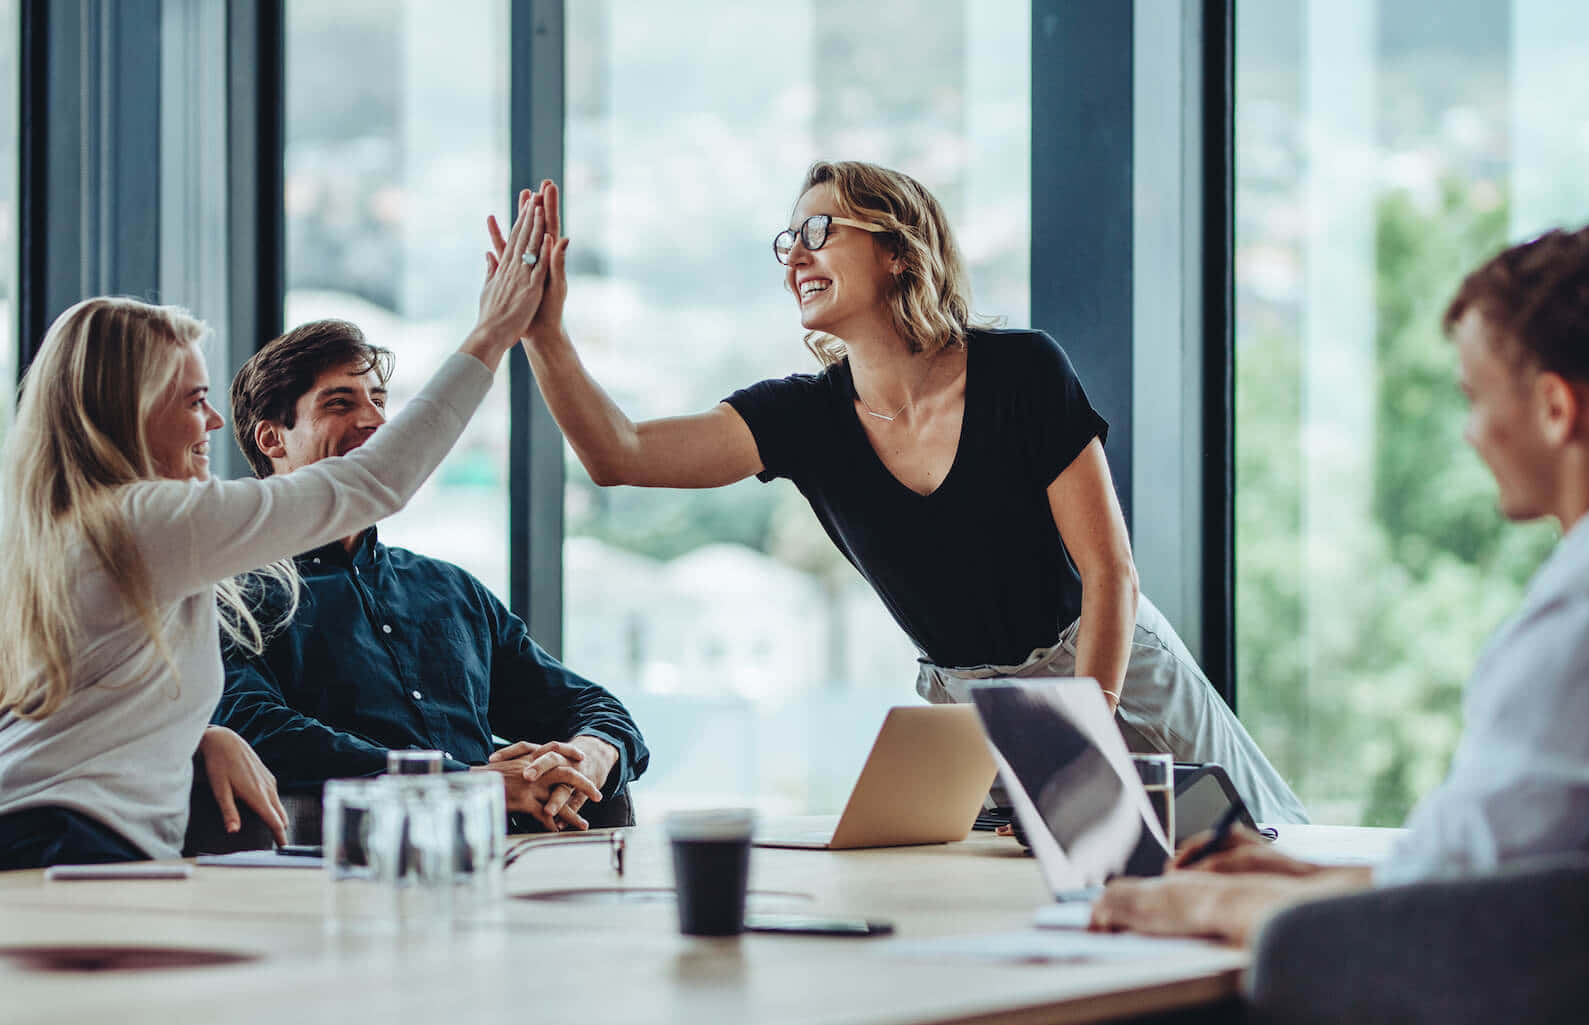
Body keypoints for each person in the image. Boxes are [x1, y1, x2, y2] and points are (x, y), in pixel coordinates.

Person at [503, 162, 1307, 824]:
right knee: (1020, 908)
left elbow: (1110, 575)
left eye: (821, 231)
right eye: (789, 242)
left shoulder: (1022, 370)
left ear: (897, 249)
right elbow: (620, 453)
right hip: (972, 713)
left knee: (1256, 856)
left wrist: (1079, 732)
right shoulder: (803, 417)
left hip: (1110, 671)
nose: (795, 257)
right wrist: (545, 333)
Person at [1090, 223, 1589, 945]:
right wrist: (1290, 875)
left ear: (1555, 409)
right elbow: (1472, 871)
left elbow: (1433, 917)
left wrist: (1193, 906)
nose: (1471, 434)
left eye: (1477, 398)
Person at [0, 192, 555, 869]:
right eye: (194, 400)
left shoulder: (76, 528)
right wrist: (491, 335)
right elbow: (373, 483)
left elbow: (95, 701)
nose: (212, 424)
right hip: (56, 841)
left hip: (17, 829)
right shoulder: (139, 521)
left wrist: (202, 735)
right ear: (127, 410)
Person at [212, 319, 650, 833]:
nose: (374, 420)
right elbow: (256, 729)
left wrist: (588, 756)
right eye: (339, 403)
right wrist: (463, 781)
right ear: (272, 438)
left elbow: (591, 705)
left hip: (508, 867)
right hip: (348, 870)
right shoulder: (233, 594)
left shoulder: (450, 589)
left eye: (378, 400)